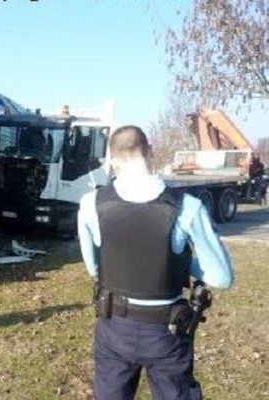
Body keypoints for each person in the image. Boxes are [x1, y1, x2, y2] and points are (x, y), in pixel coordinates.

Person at [77, 125, 234, 400]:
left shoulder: (91, 203)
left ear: (113, 160)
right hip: (166, 333)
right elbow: (222, 277)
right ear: (150, 152)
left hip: (114, 326)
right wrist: (183, 263)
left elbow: (94, 269)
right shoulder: (187, 206)